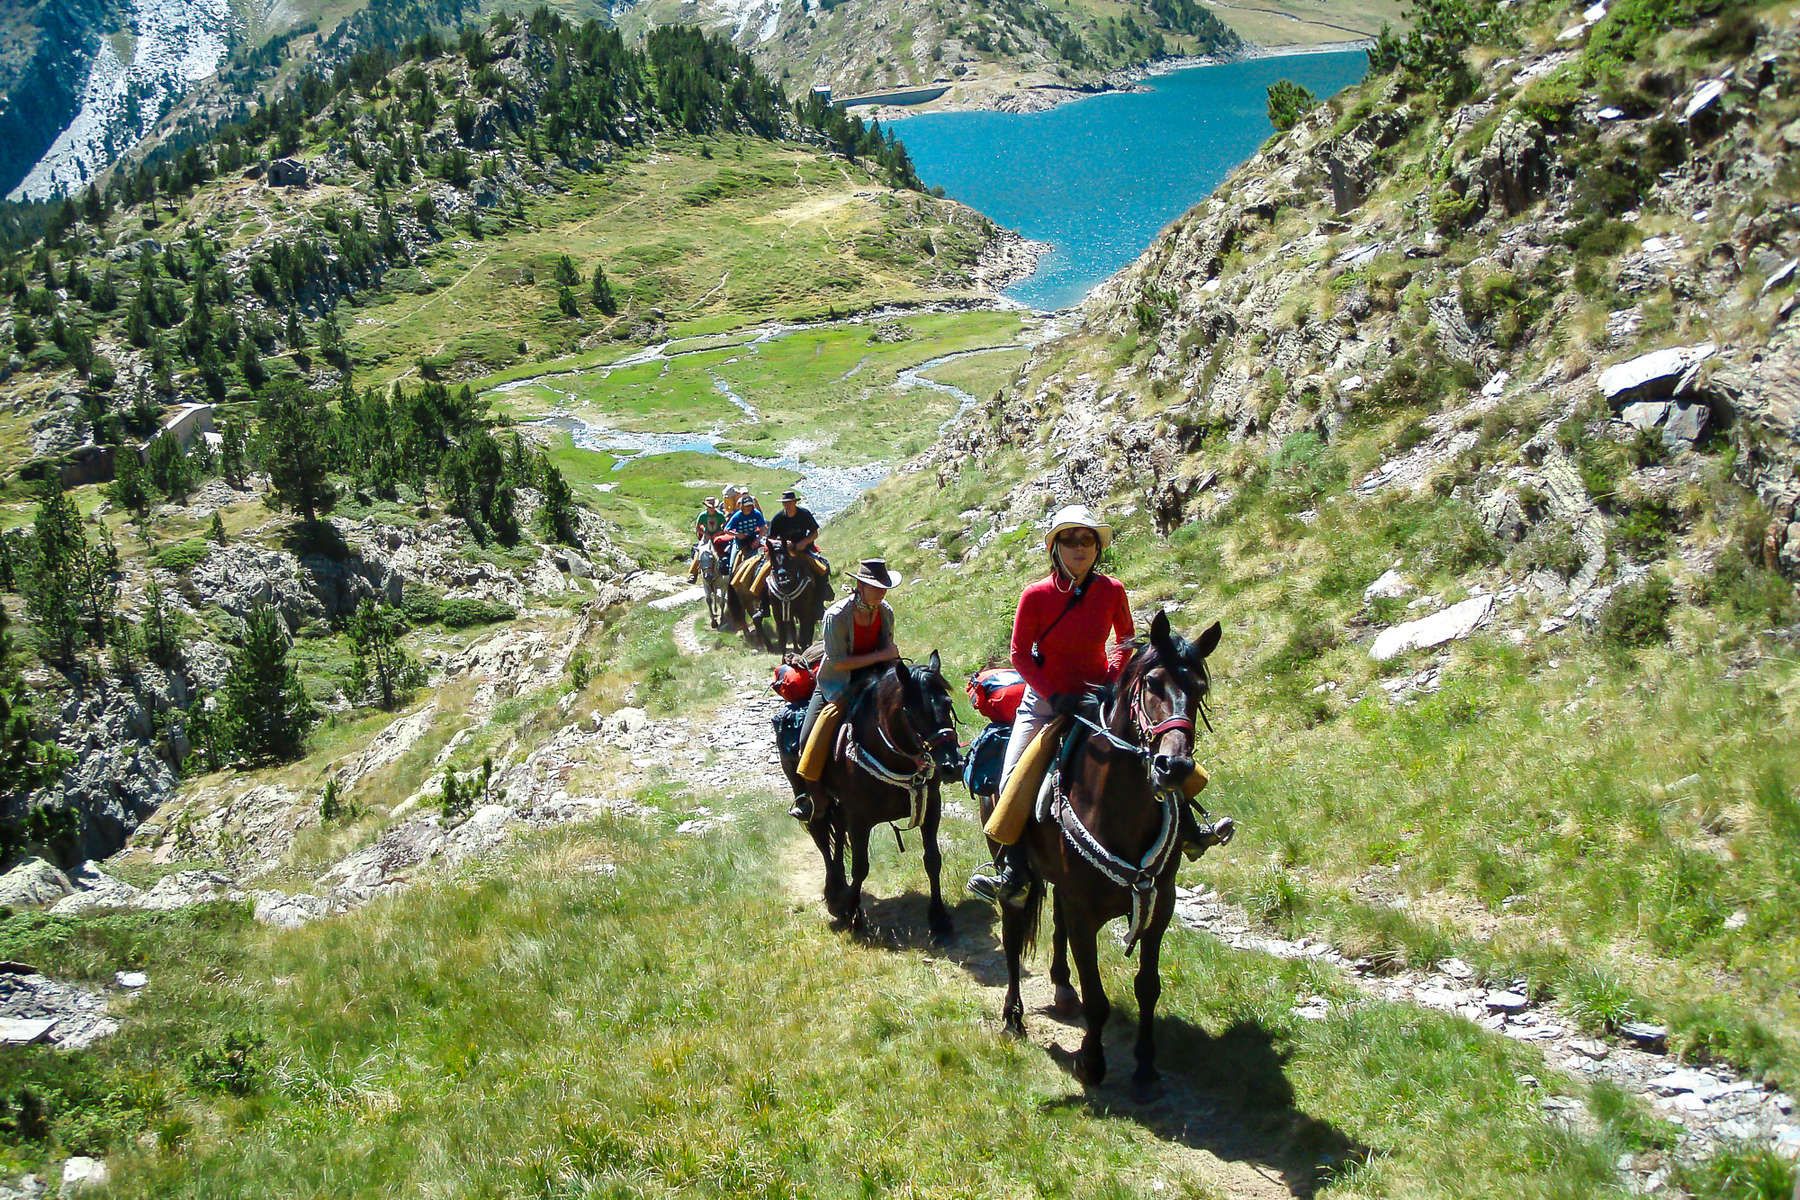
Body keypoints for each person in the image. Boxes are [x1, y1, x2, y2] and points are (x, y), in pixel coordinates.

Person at [967, 505, 1134, 909]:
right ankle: (1014, 869)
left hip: (1097, 697)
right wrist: (1052, 692)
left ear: (1097, 548)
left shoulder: (1111, 590)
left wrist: (1111, 680)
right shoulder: (1036, 595)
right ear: (1055, 548)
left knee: (1152, 751)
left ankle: (1186, 830)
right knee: (1012, 781)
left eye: (1087, 540)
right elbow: (1020, 653)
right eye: (1070, 540)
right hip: (1044, 702)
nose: (1080, 548)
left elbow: (1125, 640)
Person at [790, 559, 902, 822]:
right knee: (808, 738)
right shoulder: (837, 615)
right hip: (838, 684)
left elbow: (889, 650)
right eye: (876, 587)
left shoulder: (885, 611)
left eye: (884, 587)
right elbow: (838, 661)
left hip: (875, 681)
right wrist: (882, 656)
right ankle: (812, 797)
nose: (882, 592)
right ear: (860, 586)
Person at [756, 488, 826, 591]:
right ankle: (761, 598)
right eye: (785, 503)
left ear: (795, 502)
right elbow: (770, 538)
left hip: (803, 549)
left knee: (822, 568)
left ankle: (823, 594)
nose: (787, 505)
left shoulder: (804, 514)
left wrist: (804, 542)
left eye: (789, 503)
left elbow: (814, 533)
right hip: (782, 551)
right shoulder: (778, 518)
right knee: (762, 570)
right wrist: (782, 543)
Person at [723, 492, 766, 572]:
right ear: (742, 506)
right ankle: (731, 576)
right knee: (732, 565)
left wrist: (758, 540)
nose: (748, 507)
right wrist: (737, 534)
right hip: (740, 541)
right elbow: (726, 530)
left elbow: (763, 528)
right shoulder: (737, 516)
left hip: (753, 538)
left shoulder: (757, 513)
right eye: (746, 506)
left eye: (750, 505)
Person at [689, 496, 728, 579]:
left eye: (713, 507)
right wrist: (704, 533)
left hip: (717, 536)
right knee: (700, 551)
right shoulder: (702, 515)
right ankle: (693, 573)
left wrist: (718, 533)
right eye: (710, 507)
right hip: (706, 536)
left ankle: (726, 569)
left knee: (724, 551)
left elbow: (725, 527)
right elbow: (698, 527)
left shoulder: (720, 515)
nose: (712, 509)